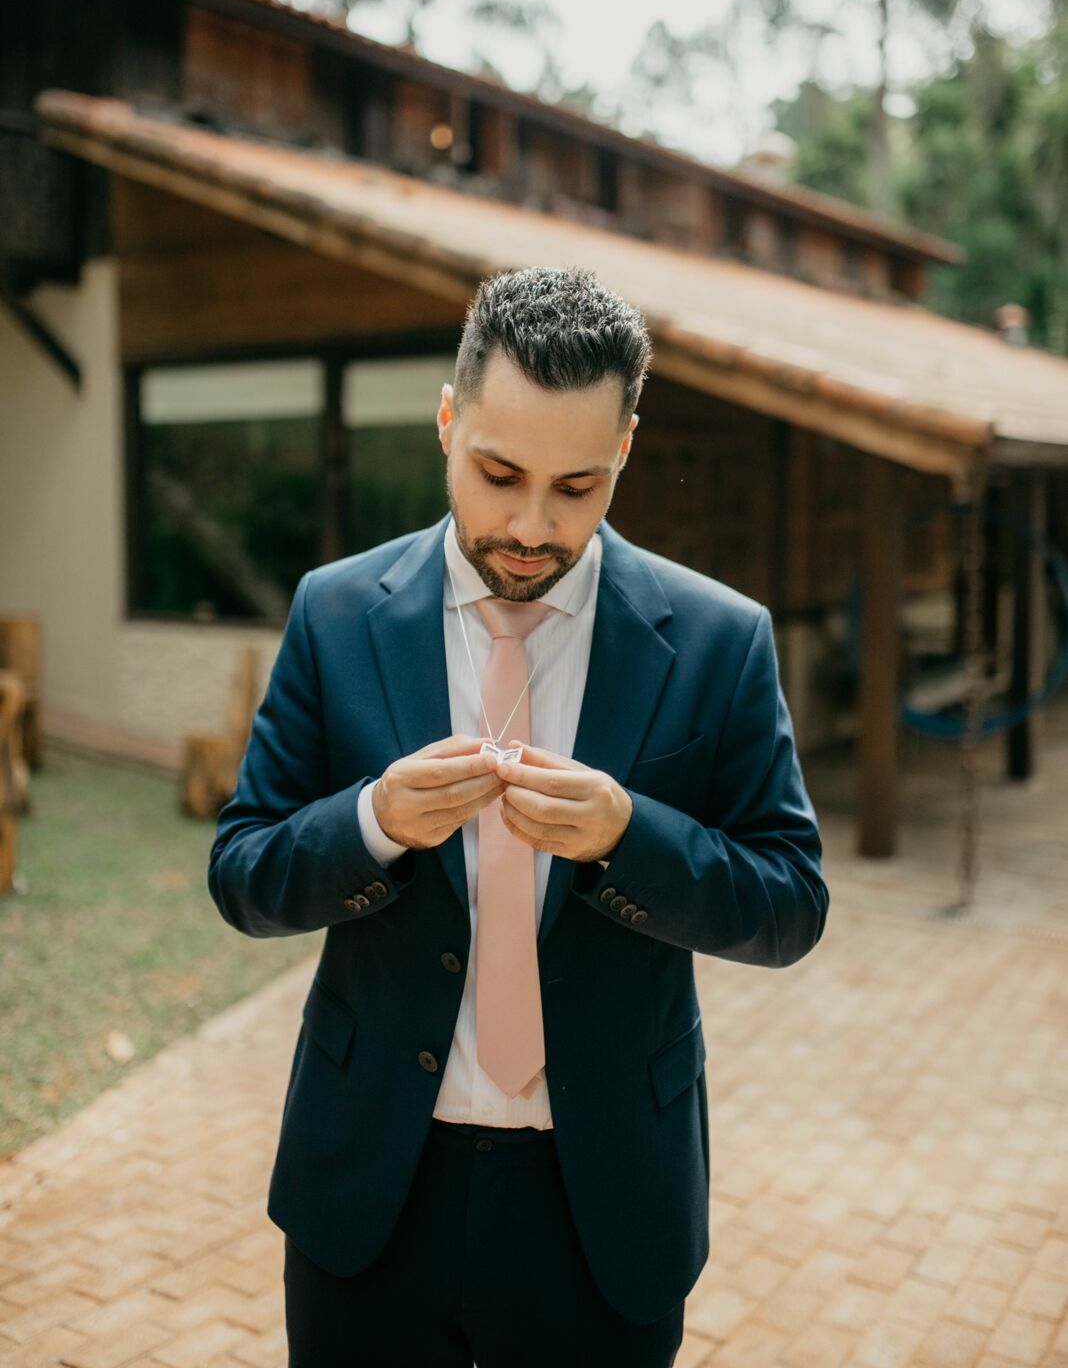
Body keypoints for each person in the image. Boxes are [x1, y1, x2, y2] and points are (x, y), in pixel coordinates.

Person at [209, 265, 829, 1368]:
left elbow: (789, 904)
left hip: (602, 1201)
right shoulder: (337, 611)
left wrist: (630, 835)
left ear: (626, 450)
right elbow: (243, 873)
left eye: (578, 487)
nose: (532, 527)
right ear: (448, 420)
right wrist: (370, 820)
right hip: (373, 1186)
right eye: (499, 474)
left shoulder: (721, 638)